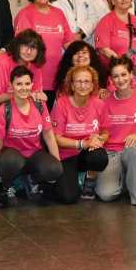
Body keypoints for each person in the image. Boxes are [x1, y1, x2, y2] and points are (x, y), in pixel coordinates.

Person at [0, 65, 61, 208]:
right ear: (11, 86)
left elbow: (49, 136)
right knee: (11, 160)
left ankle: (31, 179)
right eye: (19, 84)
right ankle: (7, 185)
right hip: (12, 157)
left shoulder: (40, 106)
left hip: (34, 154)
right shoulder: (4, 110)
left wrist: (58, 166)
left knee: (54, 169)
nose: (23, 88)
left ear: (32, 85)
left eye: (27, 84)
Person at [94, 56, 136, 205]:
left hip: (135, 150)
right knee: (105, 195)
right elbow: (102, 132)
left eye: (123, 74)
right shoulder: (104, 102)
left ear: (131, 75)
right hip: (112, 152)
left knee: (133, 151)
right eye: (116, 76)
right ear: (111, 79)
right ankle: (127, 181)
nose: (120, 80)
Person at [50, 65, 110, 203]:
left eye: (87, 81)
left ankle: (89, 181)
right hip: (65, 155)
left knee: (100, 157)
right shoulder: (61, 104)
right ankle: (60, 180)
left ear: (92, 85)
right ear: (72, 85)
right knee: (68, 197)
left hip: (87, 154)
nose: (83, 86)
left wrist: (99, 139)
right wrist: (82, 143)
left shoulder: (99, 104)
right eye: (79, 81)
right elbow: (56, 138)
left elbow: (106, 132)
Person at [14, 0, 76, 100]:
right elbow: (22, 51)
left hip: (57, 78)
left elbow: (69, 44)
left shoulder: (59, 13)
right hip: (32, 81)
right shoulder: (25, 14)